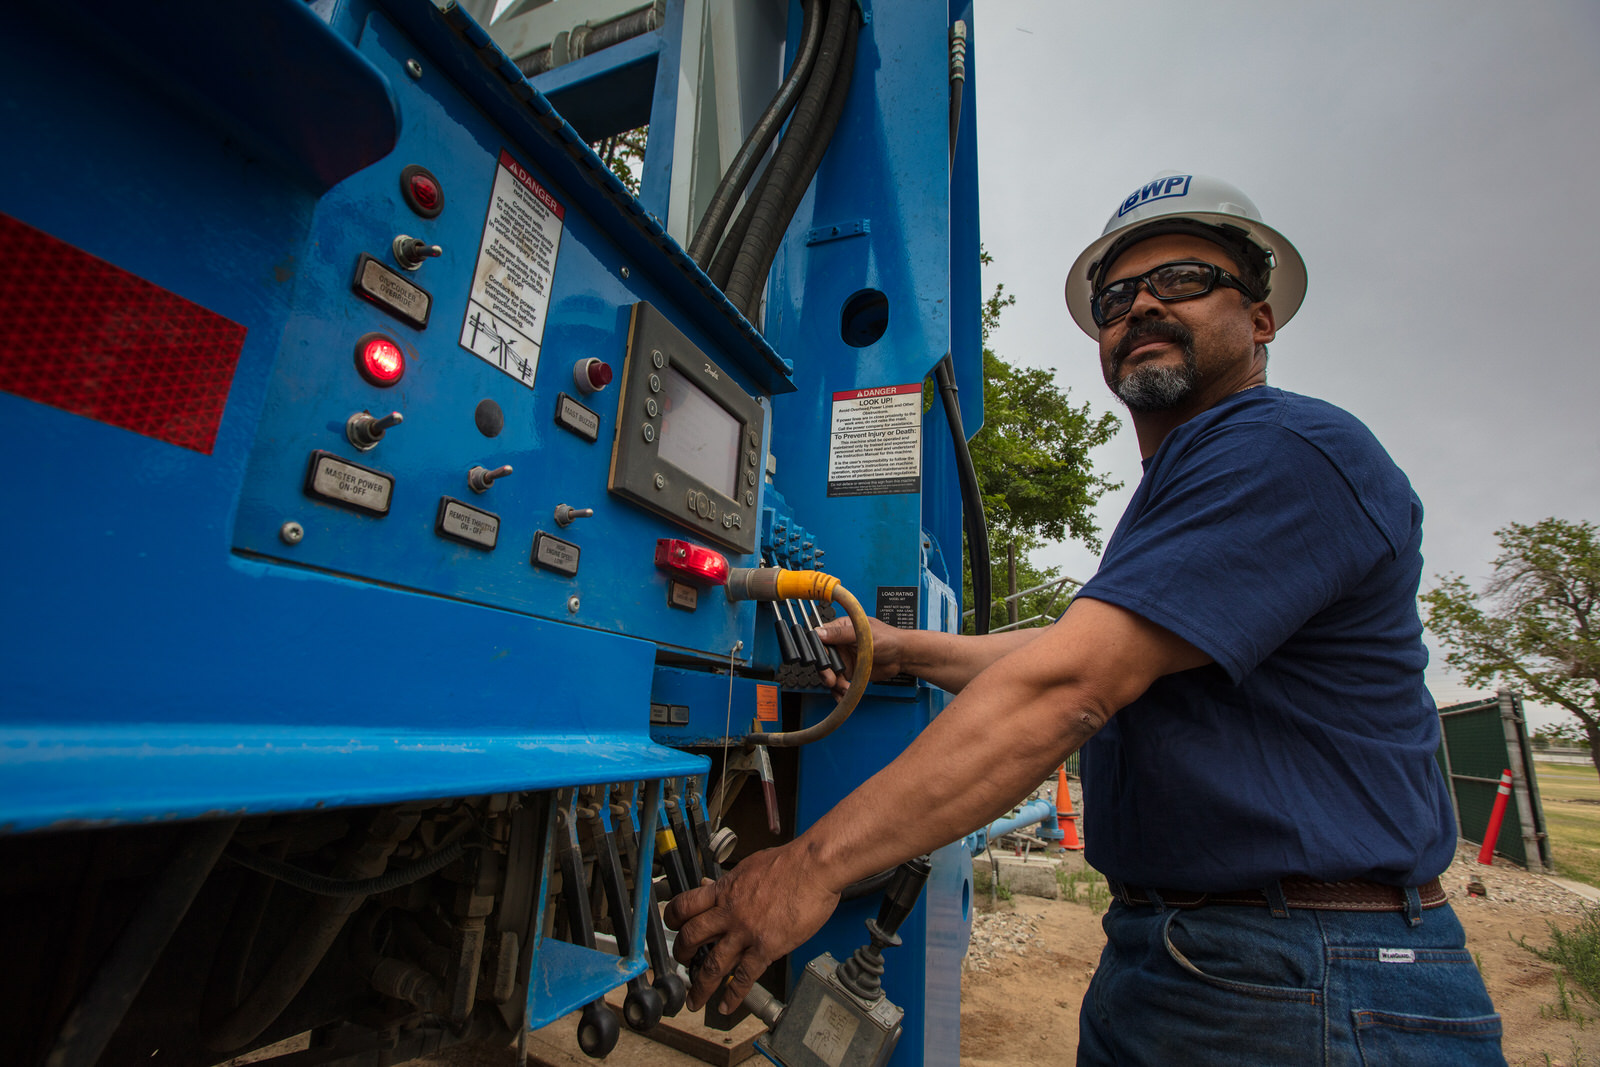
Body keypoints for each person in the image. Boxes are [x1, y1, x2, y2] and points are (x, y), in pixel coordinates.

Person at [665, 173, 1503, 1065]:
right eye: (1117, 296)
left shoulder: (1280, 450)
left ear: (1261, 319)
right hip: (1206, 956)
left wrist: (809, 865)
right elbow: (1074, 649)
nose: (1141, 304)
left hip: (1303, 976)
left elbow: (1072, 680)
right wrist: (906, 648)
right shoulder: (1190, 484)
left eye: (1182, 278)